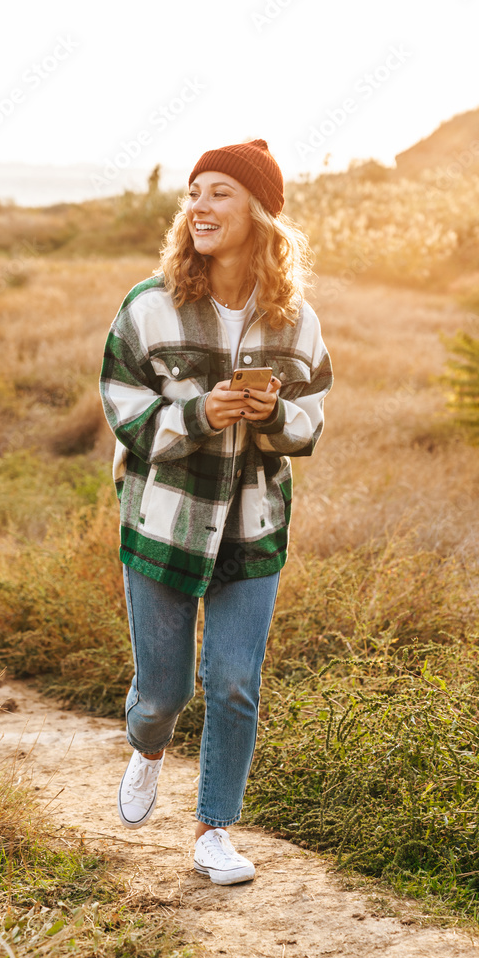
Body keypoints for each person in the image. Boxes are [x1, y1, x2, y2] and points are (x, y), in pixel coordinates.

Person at [99, 138, 333, 885]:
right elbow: (122, 406)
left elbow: (312, 418)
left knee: (234, 683)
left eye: (218, 193)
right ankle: (147, 746)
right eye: (193, 193)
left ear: (259, 214)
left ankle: (214, 831)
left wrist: (270, 414)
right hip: (165, 519)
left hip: (251, 523)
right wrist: (200, 412)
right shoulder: (149, 305)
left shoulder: (295, 321)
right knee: (164, 692)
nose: (198, 206)